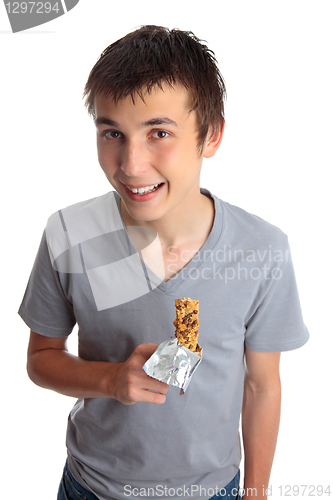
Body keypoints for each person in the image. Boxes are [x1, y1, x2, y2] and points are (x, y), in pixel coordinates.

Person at [19, 25, 309, 500]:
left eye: (159, 133)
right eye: (112, 132)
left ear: (210, 136)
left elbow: (262, 387)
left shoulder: (263, 250)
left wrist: (257, 495)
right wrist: (110, 379)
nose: (131, 164)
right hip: (92, 486)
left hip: (212, 490)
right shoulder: (70, 234)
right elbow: (41, 360)